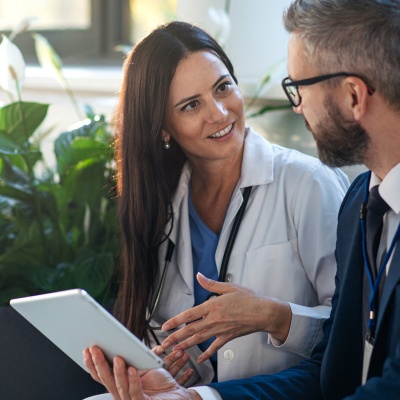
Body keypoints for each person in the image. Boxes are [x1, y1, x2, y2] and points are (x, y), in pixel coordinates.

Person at [82, 0, 400, 399]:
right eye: (191, 105)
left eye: (223, 86)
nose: (219, 113)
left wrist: (273, 316)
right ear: (163, 126)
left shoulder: (310, 184)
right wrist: (166, 363)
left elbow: (342, 341)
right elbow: (159, 326)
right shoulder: (160, 201)